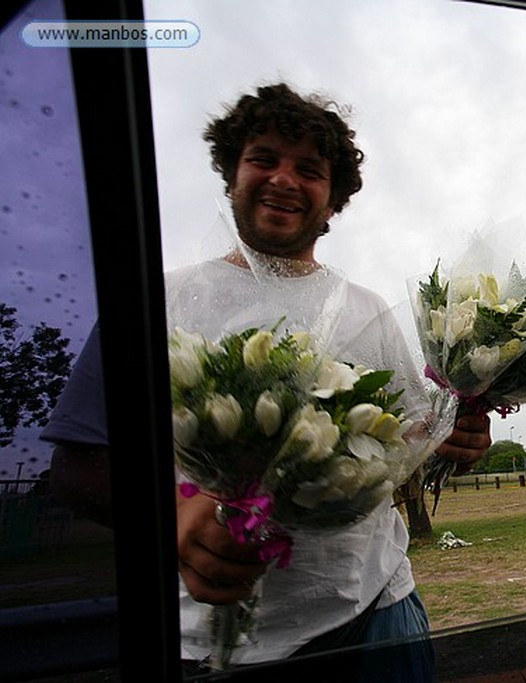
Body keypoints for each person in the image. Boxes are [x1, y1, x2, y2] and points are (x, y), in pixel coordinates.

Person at [44, 82, 491, 678]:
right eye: (263, 159)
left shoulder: (370, 309)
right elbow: (78, 468)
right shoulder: (155, 301)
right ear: (230, 175)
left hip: (378, 613)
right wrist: (174, 516)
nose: (284, 178)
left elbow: (405, 450)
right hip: (207, 642)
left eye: (309, 169)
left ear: (333, 202)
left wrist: (455, 444)